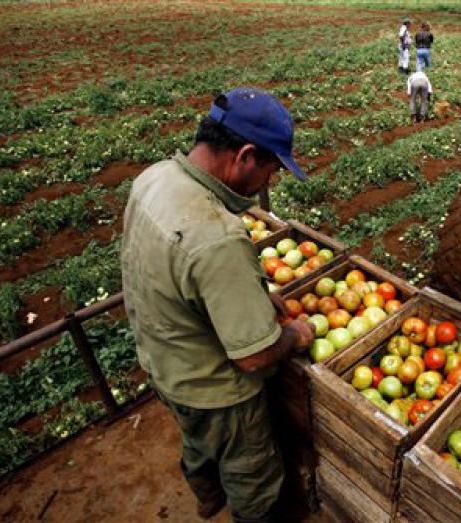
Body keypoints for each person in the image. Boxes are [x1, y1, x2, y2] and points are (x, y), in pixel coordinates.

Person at [121, 87, 316, 522]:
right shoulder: (217, 235)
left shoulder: (154, 178)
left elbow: (176, 273)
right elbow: (255, 356)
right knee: (254, 477)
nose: (269, 181)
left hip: (163, 360)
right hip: (217, 393)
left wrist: (251, 295)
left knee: (195, 438)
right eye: (271, 168)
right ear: (245, 155)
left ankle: (207, 495)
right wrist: (295, 334)